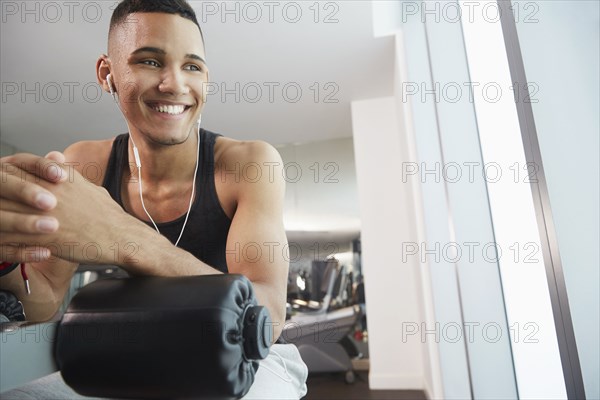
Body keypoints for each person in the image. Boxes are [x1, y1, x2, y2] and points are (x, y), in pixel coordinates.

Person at [0, 0, 307, 398]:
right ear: (107, 73)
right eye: (149, 61)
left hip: (251, 355)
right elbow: (41, 303)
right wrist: (8, 260)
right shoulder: (82, 164)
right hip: (147, 343)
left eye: (192, 67)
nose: (175, 84)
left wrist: (123, 236)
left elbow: (266, 315)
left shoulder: (249, 163)